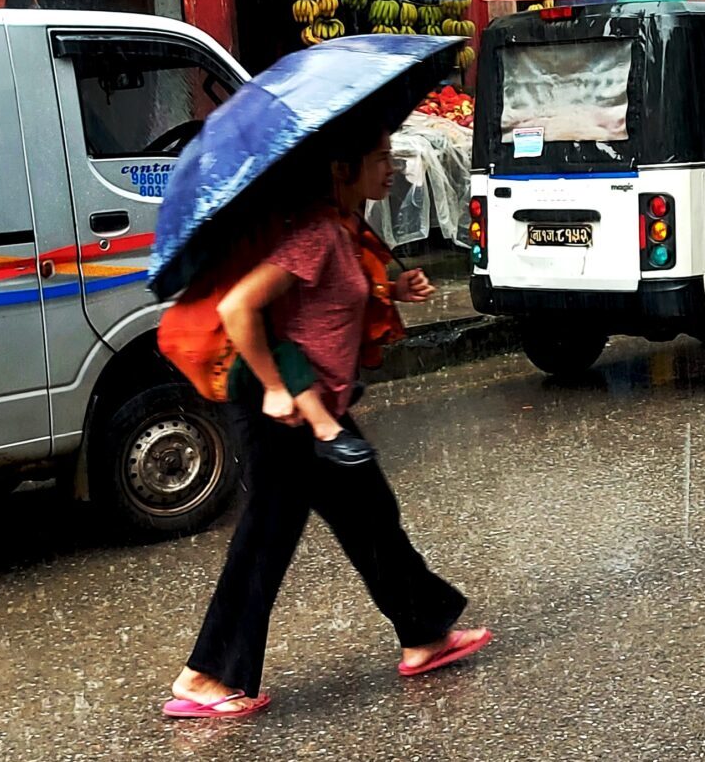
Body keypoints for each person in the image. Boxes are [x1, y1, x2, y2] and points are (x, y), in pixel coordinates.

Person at [166, 135, 490, 720]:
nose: (391, 167)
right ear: (343, 168)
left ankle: (423, 635)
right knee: (267, 537)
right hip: (284, 412)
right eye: (379, 157)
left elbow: (324, 306)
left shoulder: (343, 229)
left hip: (319, 410)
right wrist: (274, 387)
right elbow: (237, 309)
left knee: (372, 515)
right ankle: (206, 675)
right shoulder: (316, 234)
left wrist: (392, 290)